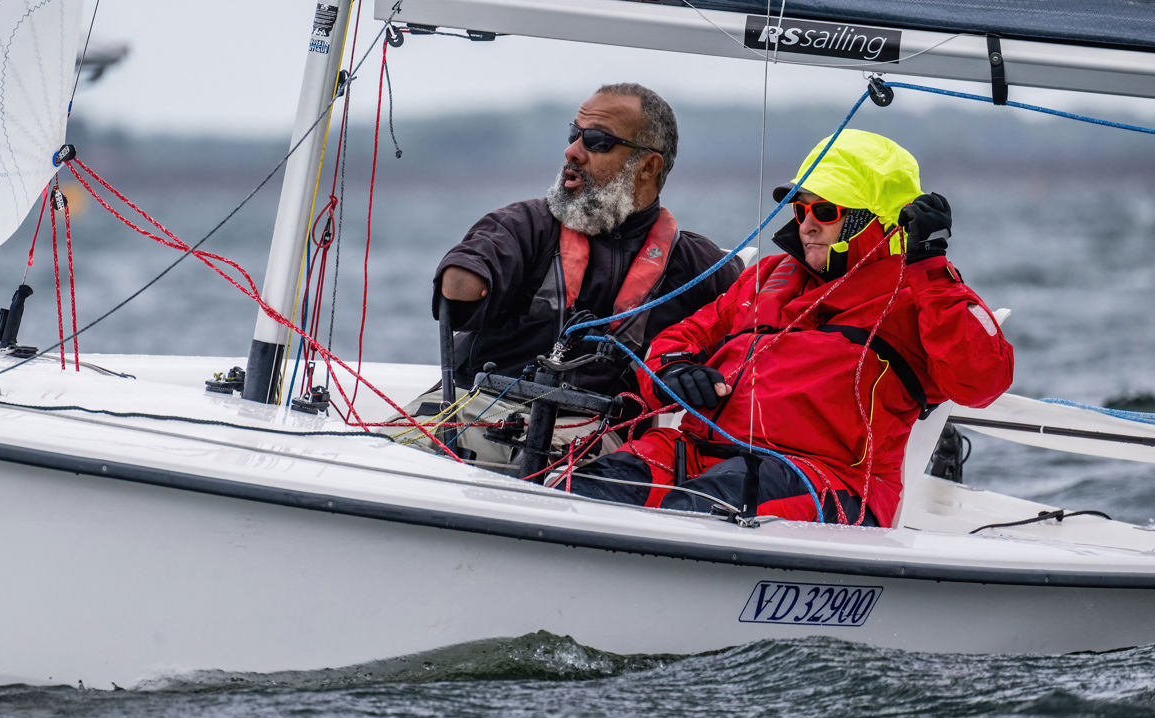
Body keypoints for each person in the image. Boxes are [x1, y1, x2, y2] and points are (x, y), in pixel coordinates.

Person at [562, 129, 1014, 527]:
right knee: (580, 490)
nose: (808, 224)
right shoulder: (769, 275)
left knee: (702, 506)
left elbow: (982, 382)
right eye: (800, 211)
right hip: (696, 453)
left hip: (826, 481)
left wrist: (931, 266)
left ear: (877, 219)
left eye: (826, 210)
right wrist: (676, 370)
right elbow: (679, 340)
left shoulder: (921, 295)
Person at [394, 83, 743, 469]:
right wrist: (468, 267)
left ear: (648, 167)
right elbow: (459, 290)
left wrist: (691, 373)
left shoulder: (701, 267)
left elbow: (760, 347)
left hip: (591, 438)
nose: (572, 151)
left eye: (596, 141)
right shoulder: (524, 226)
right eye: (573, 134)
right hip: (473, 410)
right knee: (387, 451)